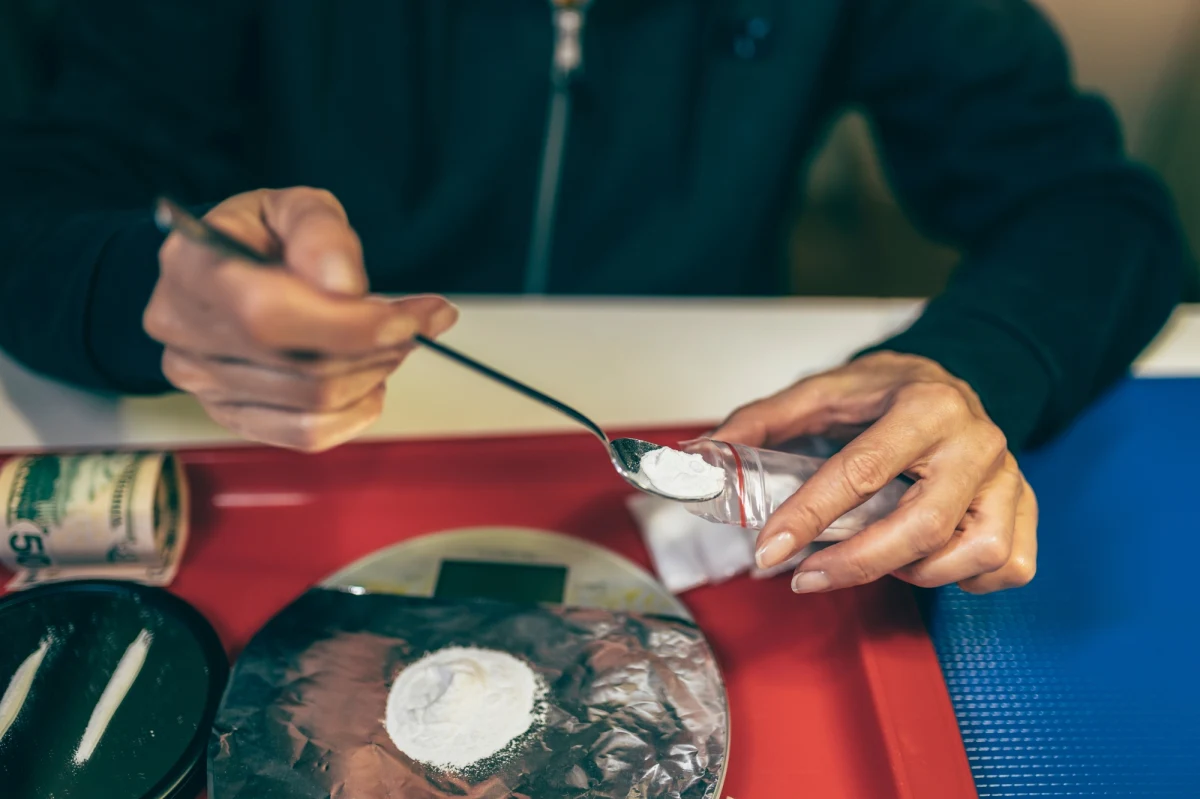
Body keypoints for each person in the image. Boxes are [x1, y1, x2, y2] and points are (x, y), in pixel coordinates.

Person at [0, 0, 1186, 596]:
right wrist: (147, 294)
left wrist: (973, 360)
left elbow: (1097, 211)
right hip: (271, 468)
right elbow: (37, 189)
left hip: (712, 433)